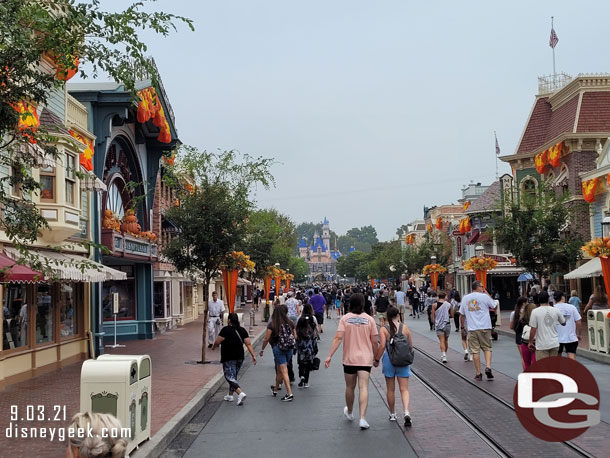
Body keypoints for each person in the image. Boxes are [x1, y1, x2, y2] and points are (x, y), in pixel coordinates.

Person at [325, 293, 379, 430]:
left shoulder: (345, 319)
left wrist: (330, 355)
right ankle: (363, 418)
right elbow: (374, 341)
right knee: (364, 387)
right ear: (362, 303)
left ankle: (349, 412)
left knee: (350, 387)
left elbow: (338, 338)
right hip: (365, 359)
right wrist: (376, 357)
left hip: (349, 358)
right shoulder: (369, 319)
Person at [374, 306, 413, 427]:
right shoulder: (405, 328)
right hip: (402, 360)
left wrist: (376, 360)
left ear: (386, 316)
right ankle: (406, 411)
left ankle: (392, 413)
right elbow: (410, 346)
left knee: (390, 389)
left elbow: (381, 347)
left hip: (389, 360)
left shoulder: (383, 329)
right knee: (404, 389)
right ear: (398, 315)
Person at [212, 313, 256, 405]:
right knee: (233, 376)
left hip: (228, 356)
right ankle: (230, 395)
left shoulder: (225, 330)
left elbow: (218, 341)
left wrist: (214, 346)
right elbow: (248, 343)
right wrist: (253, 355)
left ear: (229, 320)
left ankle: (240, 393)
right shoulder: (242, 330)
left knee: (229, 376)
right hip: (240, 356)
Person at [460, 281, 497, 381]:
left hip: (472, 329)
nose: (483, 288)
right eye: (482, 286)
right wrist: (487, 293)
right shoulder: (484, 297)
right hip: (485, 327)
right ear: (478, 287)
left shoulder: (465, 298)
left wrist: (462, 327)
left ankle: (478, 373)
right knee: (487, 348)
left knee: (475, 351)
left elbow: (462, 314)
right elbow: (494, 305)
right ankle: (488, 367)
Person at [260, 305, 296, 401]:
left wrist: (262, 349)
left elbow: (267, 338)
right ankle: (275, 389)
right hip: (289, 348)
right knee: (280, 368)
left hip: (278, 348)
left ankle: (289, 393)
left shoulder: (272, 324)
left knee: (283, 369)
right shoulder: (290, 322)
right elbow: (295, 336)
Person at [528, 291, 566, 360]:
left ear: (539, 300)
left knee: (543, 368)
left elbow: (533, 329)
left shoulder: (535, 312)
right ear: (548, 299)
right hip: (554, 343)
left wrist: (530, 342)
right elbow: (563, 322)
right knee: (553, 367)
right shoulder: (555, 310)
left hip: (542, 345)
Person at [554, 290, 581, 360]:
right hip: (571, 336)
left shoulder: (552, 309)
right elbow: (578, 322)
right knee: (571, 355)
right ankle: (572, 370)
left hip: (556, 337)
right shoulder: (572, 307)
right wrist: (579, 334)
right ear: (563, 297)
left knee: (557, 356)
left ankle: (557, 370)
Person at [510, 296, 536, 370]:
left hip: (521, 338)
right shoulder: (532, 313)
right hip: (533, 338)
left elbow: (511, 327)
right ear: (524, 303)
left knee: (524, 358)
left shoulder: (515, 313)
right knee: (533, 357)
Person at [296, 304, 318, 388]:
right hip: (309, 343)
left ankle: (301, 376)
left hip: (301, 343)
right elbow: (315, 330)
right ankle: (306, 381)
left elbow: (296, 328)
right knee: (308, 362)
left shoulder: (299, 318)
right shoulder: (313, 318)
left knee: (301, 361)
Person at [432, 292, 453, 363]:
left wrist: (433, 323)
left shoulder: (434, 305)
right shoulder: (449, 305)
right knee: (446, 340)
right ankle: (445, 355)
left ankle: (443, 355)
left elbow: (433, 316)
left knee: (441, 340)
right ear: (445, 297)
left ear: (438, 297)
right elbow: (452, 315)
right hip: (447, 324)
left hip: (439, 325)